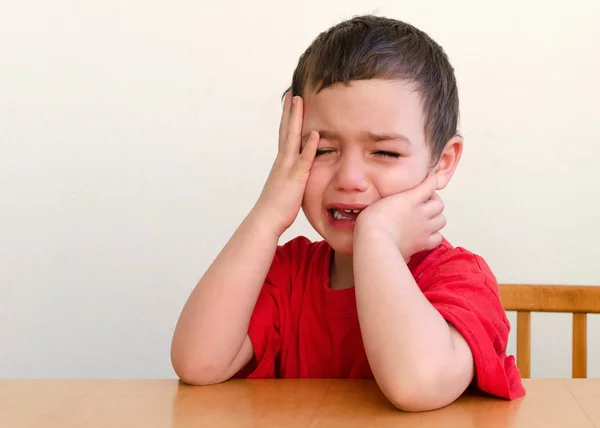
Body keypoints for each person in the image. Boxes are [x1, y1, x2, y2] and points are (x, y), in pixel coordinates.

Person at [171, 14, 526, 411]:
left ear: (442, 162)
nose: (350, 178)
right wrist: (268, 213)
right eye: (322, 150)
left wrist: (377, 239)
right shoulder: (287, 275)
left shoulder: (460, 279)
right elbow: (197, 362)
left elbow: (418, 385)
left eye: (385, 152)